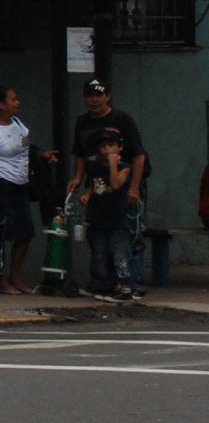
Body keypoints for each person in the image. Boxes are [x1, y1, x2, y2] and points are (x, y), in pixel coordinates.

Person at [68, 79, 149, 297]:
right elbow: (81, 154)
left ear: (108, 96)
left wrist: (133, 188)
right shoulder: (83, 123)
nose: (93, 99)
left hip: (124, 189)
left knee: (127, 237)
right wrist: (79, 179)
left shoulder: (122, 120)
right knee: (99, 239)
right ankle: (103, 283)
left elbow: (139, 156)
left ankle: (133, 284)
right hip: (98, 188)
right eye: (89, 95)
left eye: (98, 94)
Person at [0, 84, 40, 294]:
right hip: (1, 184)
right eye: (13, 100)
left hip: (20, 184)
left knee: (25, 233)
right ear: (1, 105)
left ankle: (16, 276)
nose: (17, 102)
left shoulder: (17, 123)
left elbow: (26, 148)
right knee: (1, 234)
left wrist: (42, 156)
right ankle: (1, 279)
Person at [73, 126, 135, 301]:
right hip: (98, 215)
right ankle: (101, 284)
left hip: (116, 218)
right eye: (103, 146)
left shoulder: (124, 168)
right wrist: (87, 195)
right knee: (99, 252)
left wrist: (113, 164)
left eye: (111, 144)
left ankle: (124, 287)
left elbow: (115, 185)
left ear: (119, 147)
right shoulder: (96, 167)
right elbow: (97, 185)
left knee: (119, 252)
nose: (106, 149)